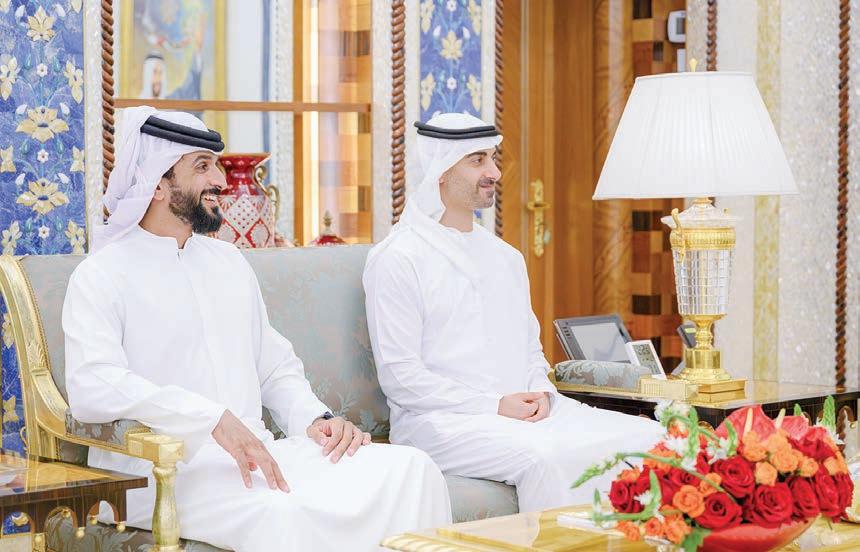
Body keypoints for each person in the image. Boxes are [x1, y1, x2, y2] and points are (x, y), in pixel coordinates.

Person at [63, 106, 451, 551]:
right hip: (163, 474)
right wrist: (209, 419)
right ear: (157, 184)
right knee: (282, 514)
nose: (220, 181)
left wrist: (315, 419)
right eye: (202, 167)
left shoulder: (228, 263)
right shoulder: (101, 275)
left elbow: (274, 367)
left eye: (217, 166)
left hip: (255, 456)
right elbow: (92, 385)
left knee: (413, 470)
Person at [362, 112, 664, 513]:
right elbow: (401, 378)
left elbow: (530, 349)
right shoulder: (397, 259)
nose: (495, 172)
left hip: (527, 414)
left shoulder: (506, 257)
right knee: (545, 458)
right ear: (441, 171)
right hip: (439, 422)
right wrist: (495, 405)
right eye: (478, 161)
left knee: (650, 438)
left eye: (492, 158)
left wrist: (541, 391)